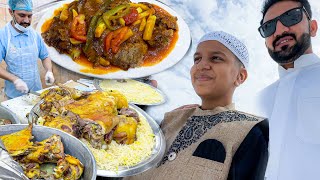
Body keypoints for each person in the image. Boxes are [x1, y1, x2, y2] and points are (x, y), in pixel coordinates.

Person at [125, 31, 269, 180]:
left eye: (216, 58)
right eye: (197, 59)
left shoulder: (249, 130)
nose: (202, 65)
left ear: (240, 76)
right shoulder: (171, 120)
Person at [256, 0, 320, 179]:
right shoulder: (259, 100)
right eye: (268, 27)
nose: (280, 30)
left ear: (313, 27)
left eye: (291, 17)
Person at [0, 0, 54, 99]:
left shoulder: (34, 35)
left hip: (36, 92)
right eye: (22, 15)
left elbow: (45, 56)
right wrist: (15, 80)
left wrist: (49, 71)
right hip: (14, 96)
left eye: (29, 16)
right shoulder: (3, 36)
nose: (27, 21)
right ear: (11, 12)